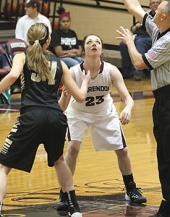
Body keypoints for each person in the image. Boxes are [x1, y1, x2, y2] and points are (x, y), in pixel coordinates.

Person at [0, 23, 91, 217]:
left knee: (3, 166)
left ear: (27, 39)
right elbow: (80, 97)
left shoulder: (21, 56)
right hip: (55, 117)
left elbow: (14, 75)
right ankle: (74, 208)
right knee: (58, 160)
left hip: (31, 117)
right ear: (48, 40)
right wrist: (84, 82)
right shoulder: (61, 63)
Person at [102, 0, 170, 217]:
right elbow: (135, 8)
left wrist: (130, 42)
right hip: (162, 99)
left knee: (168, 152)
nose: (153, 11)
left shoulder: (168, 40)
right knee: (163, 150)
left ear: (164, 16)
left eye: (158, 9)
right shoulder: (159, 28)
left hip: (169, 99)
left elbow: (140, 63)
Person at [56, 34, 147, 214]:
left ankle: (131, 189)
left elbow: (128, 98)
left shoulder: (111, 70)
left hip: (104, 112)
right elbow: (63, 107)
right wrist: (65, 96)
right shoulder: (73, 72)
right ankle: (64, 193)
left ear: (101, 49)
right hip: (78, 113)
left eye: (97, 41)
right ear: (84, 49)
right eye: (89, 42)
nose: (94, 44)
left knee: (123, 150)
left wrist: (127, 109)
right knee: (73, 148)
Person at [120, 0, 161, 80]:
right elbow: (133, 28)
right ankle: (127, 72)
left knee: (139, 42)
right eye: (153, 3)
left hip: (153, 38)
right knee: (123, 44)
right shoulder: (146, 14)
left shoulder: (163, 15)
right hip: (139, 36)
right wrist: (136, 26)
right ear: (150, 5)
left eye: (157, 3)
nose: (155, 4)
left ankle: (138, 73)